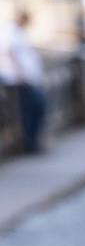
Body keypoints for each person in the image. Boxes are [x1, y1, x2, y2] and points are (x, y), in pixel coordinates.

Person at [3, 9, 47, 155]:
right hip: (19, 80)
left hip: (27, 79)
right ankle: (30, 144)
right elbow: (10, 51)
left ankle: (33, 143)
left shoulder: (18, 32)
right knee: (33, 108)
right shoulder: (10, 30)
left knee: (36, 108)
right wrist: (21, 74)